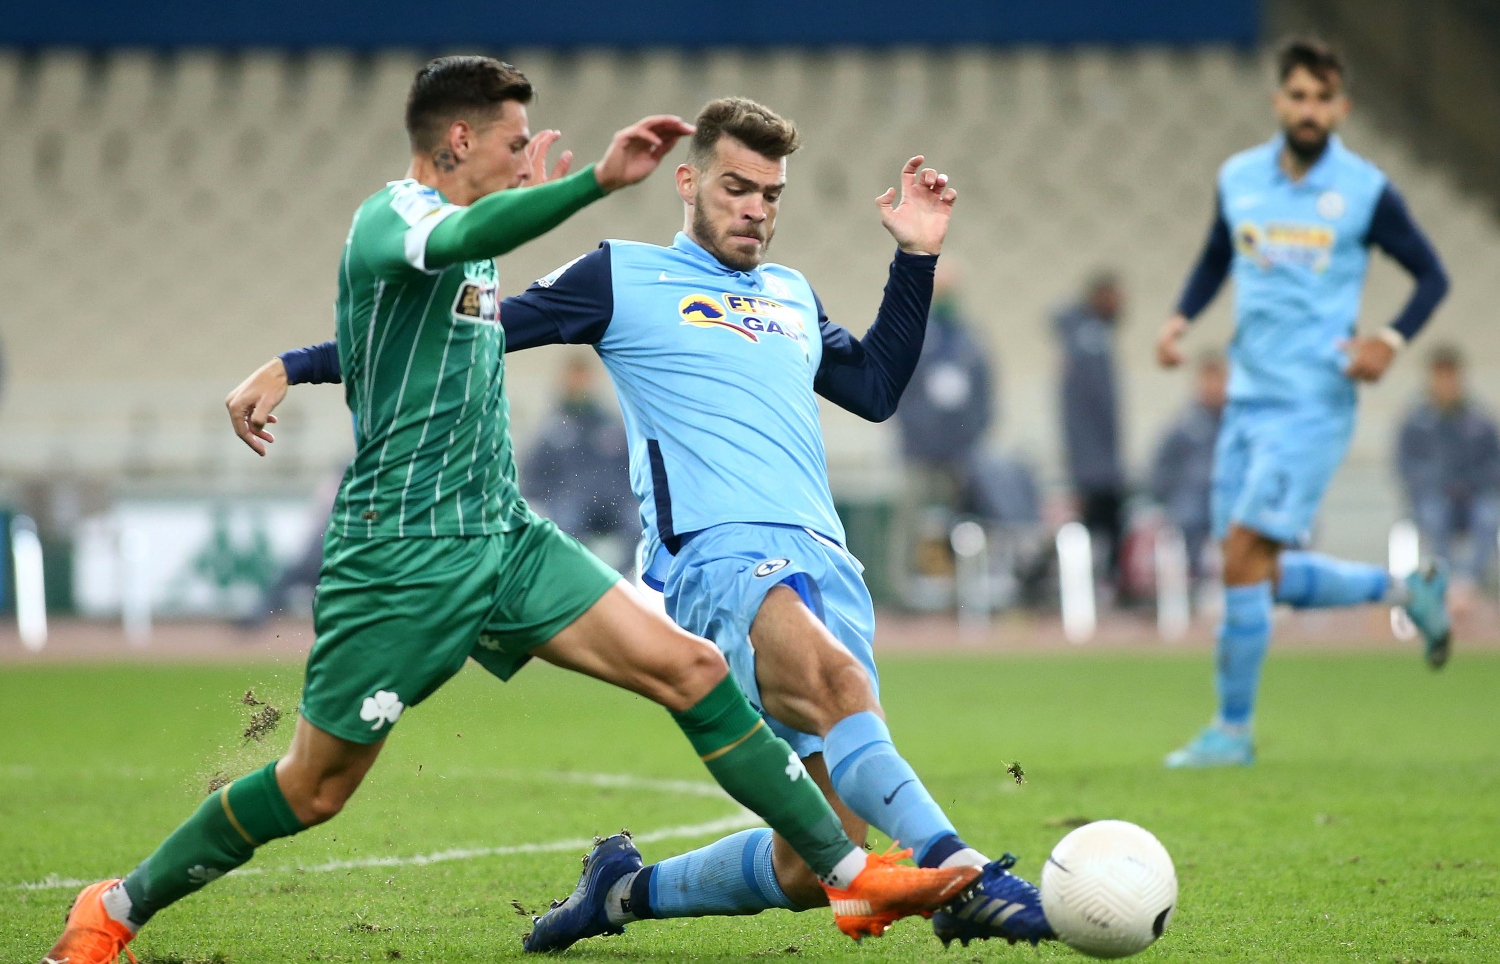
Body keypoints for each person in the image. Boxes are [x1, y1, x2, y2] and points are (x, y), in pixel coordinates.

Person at [43, 61, 974, 964]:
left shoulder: (514, 251)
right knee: (313, 789)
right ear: (460, 138)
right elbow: (442, 262)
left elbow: (442, 322)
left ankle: (851, 876)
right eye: (517, 138)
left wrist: (295, 363)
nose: (531, 153)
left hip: (507, 536)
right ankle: (114, 907)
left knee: (692, 671)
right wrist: (592, 186)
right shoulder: (398, 219)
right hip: (406, 554)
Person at [265, 97, 1054, 952]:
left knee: (813, 861)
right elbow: (457, 331)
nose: (755, 209)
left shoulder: (790, 293)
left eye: (771, 194)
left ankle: (620, 893)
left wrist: (916, 256)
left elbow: (874, 389)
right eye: (736, 187)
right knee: (838, 690)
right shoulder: (620, 276)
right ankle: (965, 874)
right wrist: (298, 365)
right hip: (718, 558)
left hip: (825, 559)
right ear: (687, 182)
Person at [1155, 38, 1452, 769]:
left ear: (1341, 108)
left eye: (1323, 99)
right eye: (1298, 96)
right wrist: (1180, 318)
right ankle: (1406, 591)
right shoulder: (1239, 178)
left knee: (1243, 554)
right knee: (1252, 570)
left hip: (1313, 403)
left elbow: (1432, 275)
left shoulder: (1364, 190)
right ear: (1278, 102)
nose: (1309, 110)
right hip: (1247, 398)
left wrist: (1389, 339)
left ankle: (1232, 732)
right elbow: (1217, 255)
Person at [1397, 345, 1500, 617]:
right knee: (1434, 514)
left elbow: (1494, 463)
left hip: (1473, 498)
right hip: (1434, 497)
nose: (1446, 384)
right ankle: (1448, 581)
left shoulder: (1480, 422)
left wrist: (1470, 485)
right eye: (1440, 377)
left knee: (1489, 515)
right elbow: (1408, 467)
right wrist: (1437, 486)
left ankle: (1469, 581)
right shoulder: (1416, 423)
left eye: (1450, 376)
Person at [522, 356, 639, 572]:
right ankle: (580, 580)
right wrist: (547, 498)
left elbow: (631, 469)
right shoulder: (552, 428)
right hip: (570, 500)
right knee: (567, 524)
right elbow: (534, 476)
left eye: (584, 378)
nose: (580, 384)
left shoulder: (610, 425)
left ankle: (619, 580)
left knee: (638, 522)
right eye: (575, 379)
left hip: (613, 500)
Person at [1054, 271, 1129, 593]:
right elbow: (1096, 408)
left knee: (1100, 521)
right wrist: (1099, 461)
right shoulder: (1091, 341)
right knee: (1101, 522)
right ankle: (1100, 585)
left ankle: (1096, 584)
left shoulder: (1084, 337)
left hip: (1092, 456)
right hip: (1095, 458)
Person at [1150, 352, 1228, 581]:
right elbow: (1161, 470)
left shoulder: (1239, 425)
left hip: (1230, 501)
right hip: (1193, 507)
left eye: (1219, 380)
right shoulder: (1184, 426)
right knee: (1188, 515)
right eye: (1208, 379)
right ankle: (1194, 577)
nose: (1214, 386)